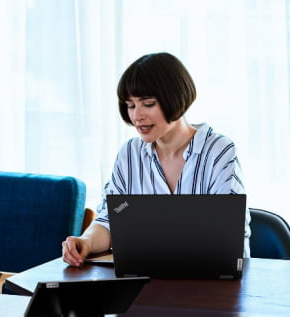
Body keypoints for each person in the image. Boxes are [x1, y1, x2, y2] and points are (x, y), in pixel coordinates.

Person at [62, 52, 250, 267]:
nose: (136, 116)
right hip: (149, 283)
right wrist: (85, 241)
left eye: (148, 104)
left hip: (212, 284)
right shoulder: (130, 154)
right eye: (130, 105)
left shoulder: (217, 150)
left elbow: (227, 234)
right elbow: (110, 219)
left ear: (175, 99)